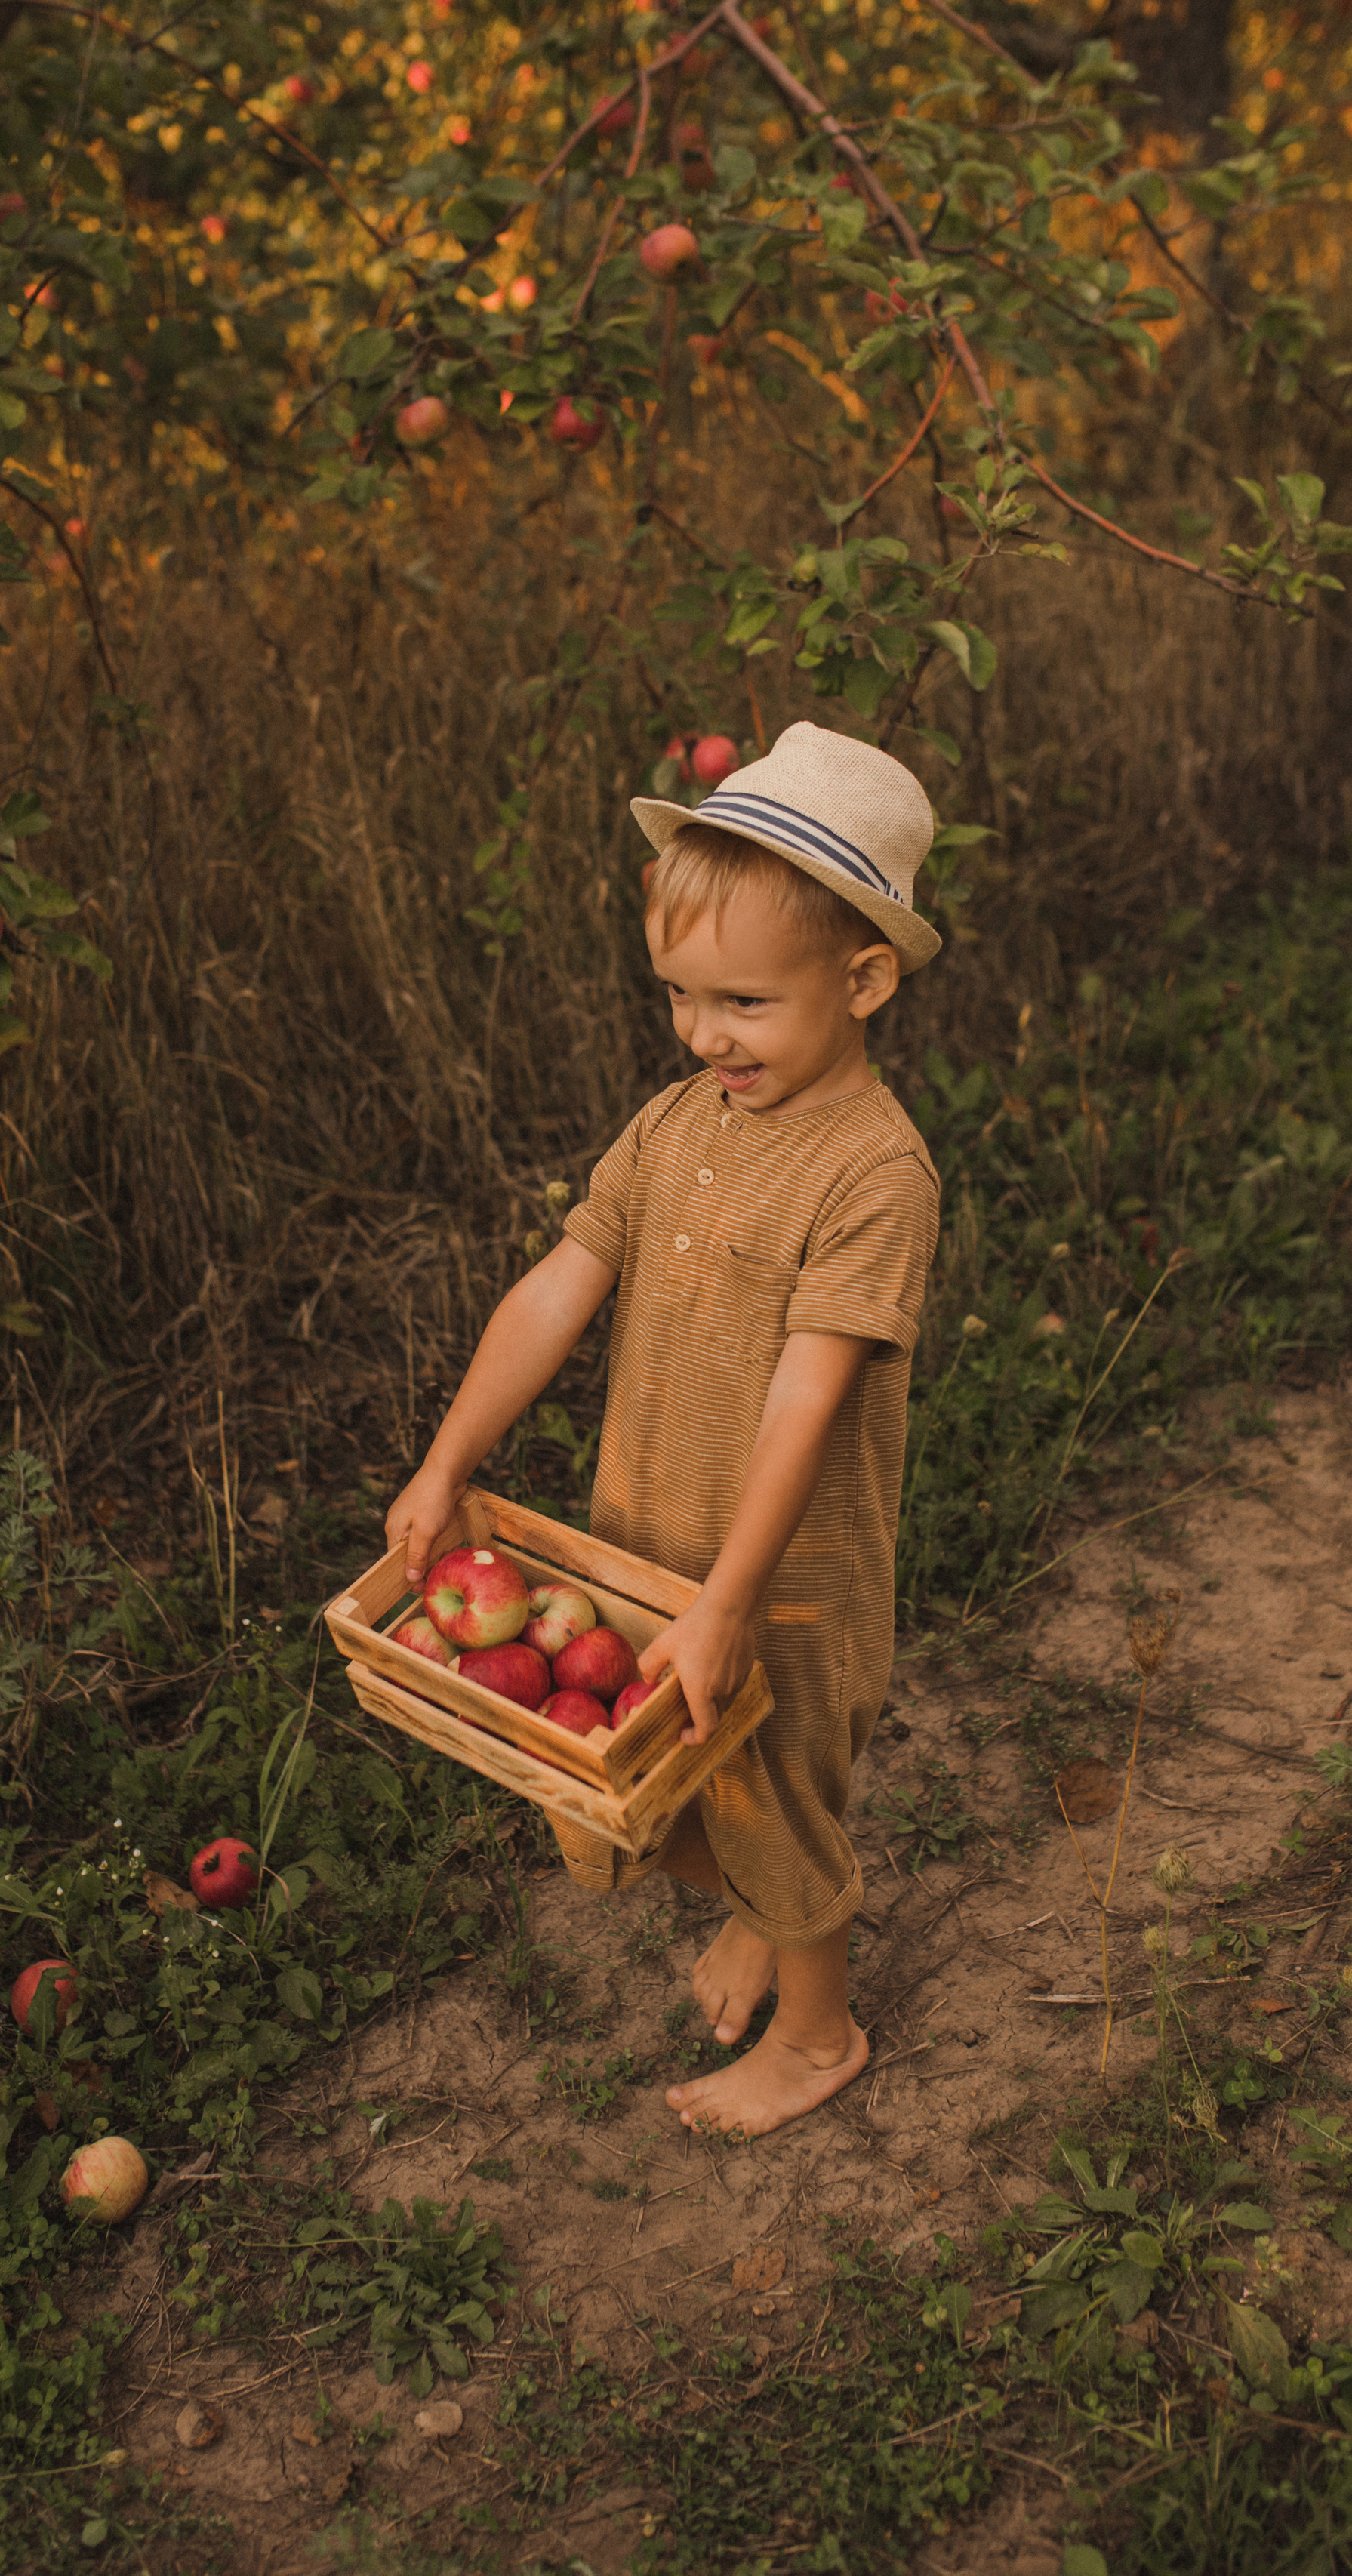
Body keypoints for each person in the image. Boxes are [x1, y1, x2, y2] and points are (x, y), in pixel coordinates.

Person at [386, 721, 943, 2137]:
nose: (705, 1036)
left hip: (781, 1583)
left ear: (864, 979)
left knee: (776, 1801)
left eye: (744, 1004)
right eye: (681, 997)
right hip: (643, 1544)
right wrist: (451, 1458)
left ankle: (817, 2040)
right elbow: (554, 1290)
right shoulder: (673, 1123)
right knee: (659, 1790)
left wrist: (732, 1604)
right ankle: (759, 1910)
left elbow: (809, 1397)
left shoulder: (875, 1174)